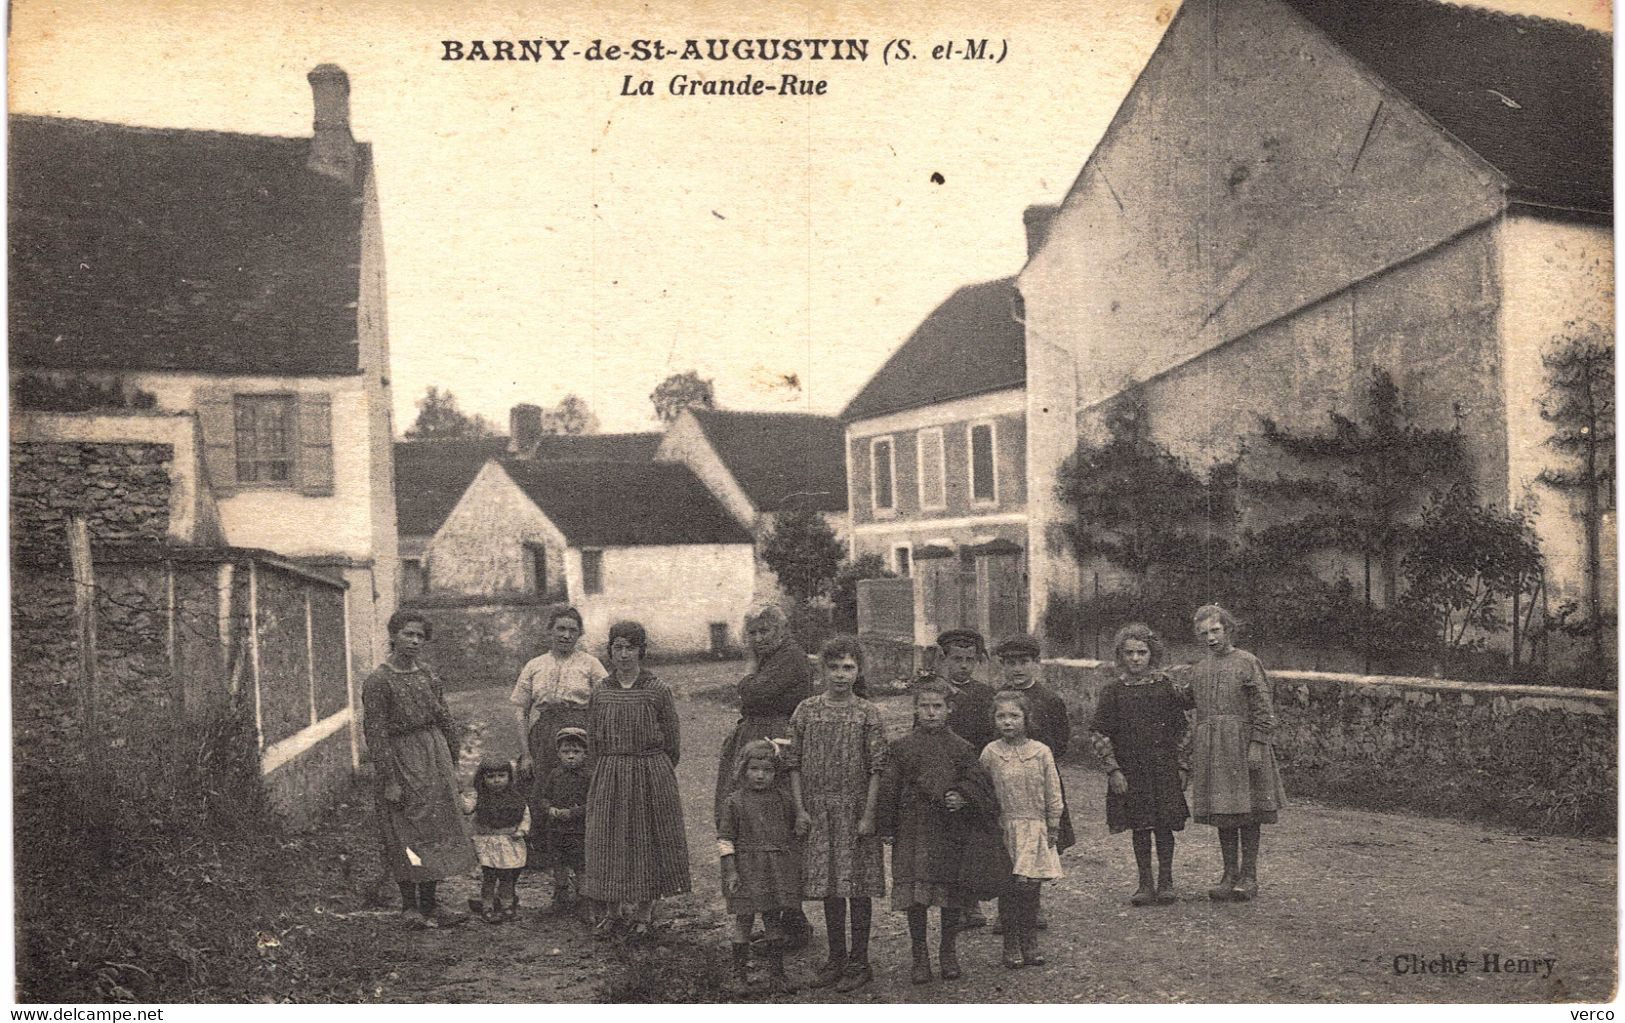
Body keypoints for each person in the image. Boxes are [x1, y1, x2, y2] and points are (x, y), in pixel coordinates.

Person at [877, 678, 1010, 985]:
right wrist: (886, 826)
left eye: (938, 707)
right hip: (913, 830)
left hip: (950, 830)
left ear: (950, 709)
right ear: (915, 708)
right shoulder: (901, 747)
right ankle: (920, 954)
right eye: (924, 706)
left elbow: (980, 784)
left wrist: (962, 795)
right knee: (916, 897)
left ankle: (948, 951)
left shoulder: (962, 748)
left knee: (951, 894)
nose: (931, 713)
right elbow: (889, 788)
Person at [361, 610, 477, 929]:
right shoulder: (379, 680)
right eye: (407, 634)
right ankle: (410, 906)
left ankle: (431, 903)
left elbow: (445, 718)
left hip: (434, 756)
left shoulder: (428, 676)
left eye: (419, 636)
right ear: (393, 635)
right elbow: (375, 731)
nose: (413, 641)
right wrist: (389, 779)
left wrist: (453, 763)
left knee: (436, 830)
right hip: (400, 758)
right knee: (404, 832)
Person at [786, 637, 888, 993]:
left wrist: (869, 815)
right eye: (834, 667)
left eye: (849, 667)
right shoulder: (806, 710)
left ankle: (860, 961)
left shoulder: (867, 713)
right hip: (818, 811)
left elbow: (877, 767)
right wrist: (800, 809)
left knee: (856, 887)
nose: (841, 675)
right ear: (822, 670)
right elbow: (793, 763)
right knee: (830, 886)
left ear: (859, 671)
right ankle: (836, 957)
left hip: (856, 812)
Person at [712, 603, 815, 947]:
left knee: (776, 823)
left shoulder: (791, 657)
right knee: (749, 820)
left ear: (781, 631)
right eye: (753, 633)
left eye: (765, 631)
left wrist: (749, 679)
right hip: (757, 737)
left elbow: (753, 692)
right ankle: (777, 912)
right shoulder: (771, 658)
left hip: (777, 741)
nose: (758, 638)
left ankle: (792, 919)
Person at [581, 621, 691, 942]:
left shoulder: (657, 689)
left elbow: (672, 741)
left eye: (631, 647)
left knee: (648, 840)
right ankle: (613, 913)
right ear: (610, 651)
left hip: (649, 772)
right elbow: (592, 738)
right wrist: (605, 770)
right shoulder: (601, 691)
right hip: (611, 771)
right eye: (618, 647)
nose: (624, 654)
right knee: (610, 840)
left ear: (642, 650)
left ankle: (644, 915)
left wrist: (655, 770)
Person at [1087, 624, 1193, 906]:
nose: (1135, 658)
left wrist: (1183, 765)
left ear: (1152, 654)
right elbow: (1100, 733)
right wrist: (1113, 770)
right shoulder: (1113, 691)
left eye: (1142, 652)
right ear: (1121, 656)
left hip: (1163, 768)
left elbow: (1183, 728)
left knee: (1164, 825)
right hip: (1131, 771)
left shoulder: (1165, 687)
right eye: (1129, 653)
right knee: (1140, 826)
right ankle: (1145, 883)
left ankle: (1166, 881)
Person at [1187, 604, 1286, 902]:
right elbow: (1188, 699)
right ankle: (1228, 874)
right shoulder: (1199, 669)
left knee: (1249, 811)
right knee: (1224, 812)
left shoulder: (1247, 662)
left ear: (1228, 629)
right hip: (1214, 751)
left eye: (1215, 630)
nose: (1210, 638)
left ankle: (1249, 875)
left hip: (1243, 748)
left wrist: (1257, 743)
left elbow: (1264, 709)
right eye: (1203, 633)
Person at [991, 633, 1074, 932]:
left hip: (1038, 784)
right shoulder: (998, 698)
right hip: (1007, 784)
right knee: (1006, 847)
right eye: (1010, 663)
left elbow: (1061, 742)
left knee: (1038, 846)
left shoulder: (1050, 700)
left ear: (1035, 663)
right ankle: (1006, 910)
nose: (1017, 669)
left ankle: (1033, 906)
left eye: (1023, 662)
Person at [512, 606, 607, 865]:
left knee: (581, 789)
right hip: (544, 737)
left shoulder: (590, 664)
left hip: (580, 734)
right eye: (560, 629)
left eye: (572, 630)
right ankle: (549, 860)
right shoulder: (535, 665)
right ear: (550, 631)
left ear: (580, 634)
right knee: (543, 790)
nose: (566, 635)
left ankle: (587, 858)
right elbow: (521, 710)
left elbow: (606, 703)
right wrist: (526, 753)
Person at [980, 690, 1064, 969]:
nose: (1008, 722)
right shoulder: (991, 753)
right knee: (1008, 889)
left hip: (1034, 827)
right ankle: (1011, 943)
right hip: (1005, 829)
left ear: (1027, 719)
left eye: (1014, 715)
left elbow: (1053, 791)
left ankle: (1030, 941)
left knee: (1030, 890)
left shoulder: (1041, 752)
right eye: (1001, 716)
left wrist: (1053, 825)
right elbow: (983, 792)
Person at [924, 628, 998, 929]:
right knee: (948, 841)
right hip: (944, 774)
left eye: (970, 659)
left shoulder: (986, 695)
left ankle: (974, 902)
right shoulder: (934, 695)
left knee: (975, 840)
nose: (963, 665)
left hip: (975, 776)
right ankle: (956, 904)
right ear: (945, 660)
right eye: (957, 659)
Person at [718, 739, 803, 994]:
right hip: (746, 870)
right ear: (744, 770)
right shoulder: (734, 802)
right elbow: (725, 840)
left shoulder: (783, 799)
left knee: (772, 920)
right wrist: (731, 871)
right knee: (744, 920)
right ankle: (739, 975)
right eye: (754, 769)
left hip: (775, 870)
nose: (760, 775)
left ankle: (777, 975)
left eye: (767, 771)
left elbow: (791, 833)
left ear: (775, 774)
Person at [534, 727, 591, 915]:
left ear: (585, 753)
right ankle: (561, 896)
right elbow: (543, 797)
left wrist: (574, 813)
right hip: (557, 829)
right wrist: (549, 809)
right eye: (566, 752)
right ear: (558, 754)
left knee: (580, 865)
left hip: (579, 830)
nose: (571, 756)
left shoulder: (589, 777)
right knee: (558, 863)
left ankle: (584, 898)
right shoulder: (555, 775)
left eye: (576, 752)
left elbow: (593, 803)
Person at [468, 759, 530, 923]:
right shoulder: (480, 798)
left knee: (507, 877)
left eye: (501, 776)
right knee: (489, 877)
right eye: (491, 776)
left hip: (509, 841)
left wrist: (521, 830)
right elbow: (467, 810)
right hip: (488, 842)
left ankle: (507, 906)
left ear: (509, 777)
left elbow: (525, 815)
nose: (496, 780)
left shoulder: (516, 798)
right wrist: (461, 793)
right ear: (483, 778)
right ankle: (487, 906)